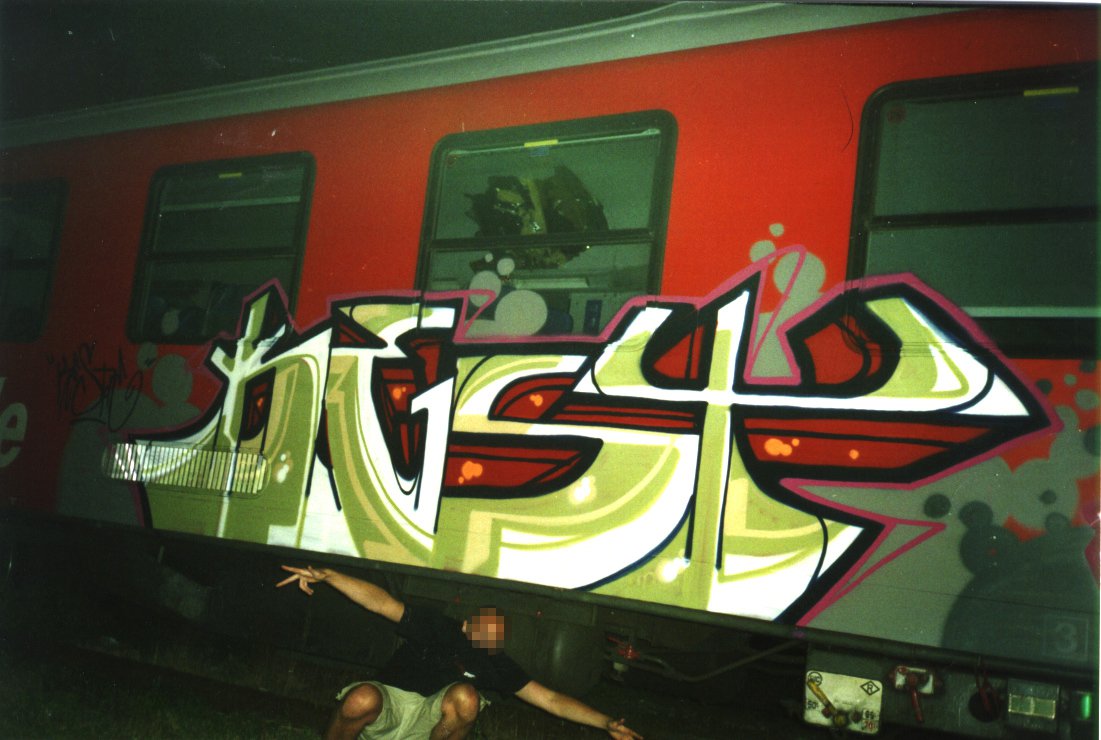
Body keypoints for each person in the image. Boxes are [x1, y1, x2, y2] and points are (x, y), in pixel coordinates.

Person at [278, 564, 643, 740]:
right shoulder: (438, 629)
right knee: (360, 698)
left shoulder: (493, 662)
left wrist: (606, 723)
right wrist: (330, 576)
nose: (487, 633)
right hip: (390, 707)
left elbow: (550, 699)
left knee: (468, 698)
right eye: (483, 625)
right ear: (467, 624)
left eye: (496, 631)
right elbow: (382, 603)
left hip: (429, 726)